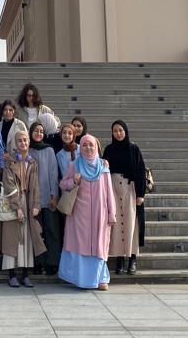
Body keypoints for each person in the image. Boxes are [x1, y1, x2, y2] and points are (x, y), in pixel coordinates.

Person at [58, 134, 115, 291]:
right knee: (80, 245)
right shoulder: (74, 165)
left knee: (99, 245)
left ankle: (100, 278)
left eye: (91, 145)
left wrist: (112, 213)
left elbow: (109, 191)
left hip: (99, 213)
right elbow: (62, 184)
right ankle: (79, 278)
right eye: (84, 145)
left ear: (96, 147)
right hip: (78, 214)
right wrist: (73, 181)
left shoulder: (103, 166)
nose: (88, 148)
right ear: (80, 147)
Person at [0, 130, 46, 288]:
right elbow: (9, 186)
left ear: (29, 143)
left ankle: (25, 274)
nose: (23, 143)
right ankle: (11, 274)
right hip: (14, 202)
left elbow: (36, 186)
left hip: (28, 201)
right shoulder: (10, 164)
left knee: (27, 239)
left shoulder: (32, 163)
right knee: (12, 238)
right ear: (15, 144)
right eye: (20, 141)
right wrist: (17, 207)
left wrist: (36, 205)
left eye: (25, 140)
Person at [104, 120, 147, 275]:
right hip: (113, 187)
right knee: (117, 224)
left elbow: (141, 171)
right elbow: (104, 171)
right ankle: (120, 259)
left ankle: (132, 258)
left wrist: (141, 195)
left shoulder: (134, 149)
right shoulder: (109, 150)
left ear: (126, 131)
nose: (118, 133)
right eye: (115, 131)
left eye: (121, 130)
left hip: (131, 189)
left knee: (131, 224)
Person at [28, 121, 62, 276]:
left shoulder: (49, 150)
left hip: (48, 198)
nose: (39, 134)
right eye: (36, 131)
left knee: (51, 231)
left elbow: (54, 174)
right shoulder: (26, 150)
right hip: (32, 199)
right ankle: (38, 262)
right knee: (36, 233)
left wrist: (54, 196)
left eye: (41, 132)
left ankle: (52, 262)